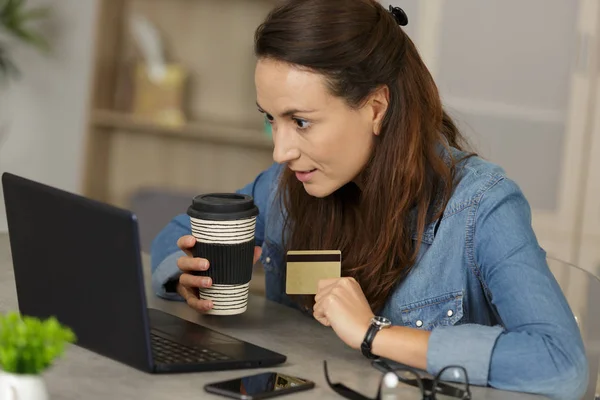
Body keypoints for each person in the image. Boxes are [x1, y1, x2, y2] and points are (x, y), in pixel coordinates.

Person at [150, 1, 588, 398]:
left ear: (376, 107)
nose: (280, 151)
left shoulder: (482, 207)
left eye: (301, 121)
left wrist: (373, 333)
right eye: (271, 119)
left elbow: (559, 363)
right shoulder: (285, 185)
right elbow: (176, 237)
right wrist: (185, 275)